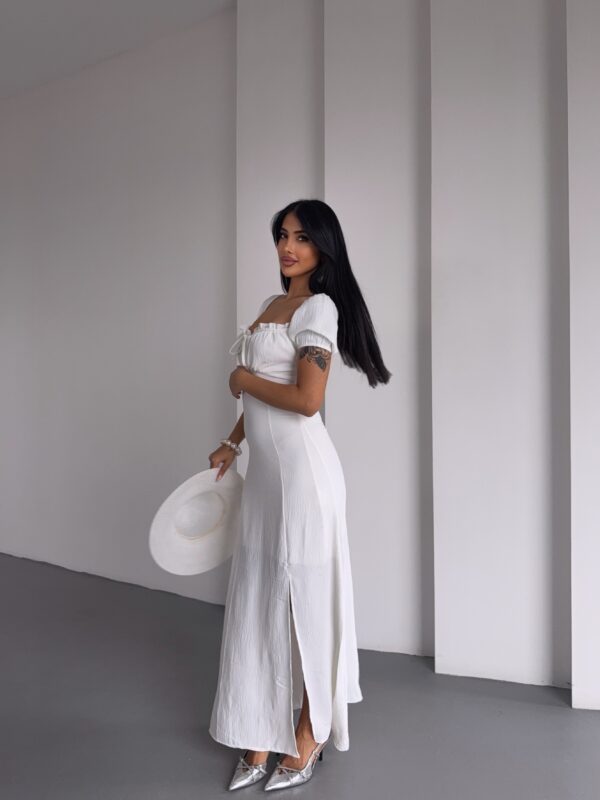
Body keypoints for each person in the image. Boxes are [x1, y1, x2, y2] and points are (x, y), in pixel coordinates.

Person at [207, 198, 391, 791]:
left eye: (303, 238)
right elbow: (265, 395)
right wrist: (232, 442)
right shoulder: (272, 305)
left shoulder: (319, 308)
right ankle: (259, 733)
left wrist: (241, 378)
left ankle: (309, 735)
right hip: (266, 480)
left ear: (323, 247)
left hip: (306, 480)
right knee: (259, 600)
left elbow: (307, 400)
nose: (288, 247)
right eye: (283, 235)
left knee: (306, 605)